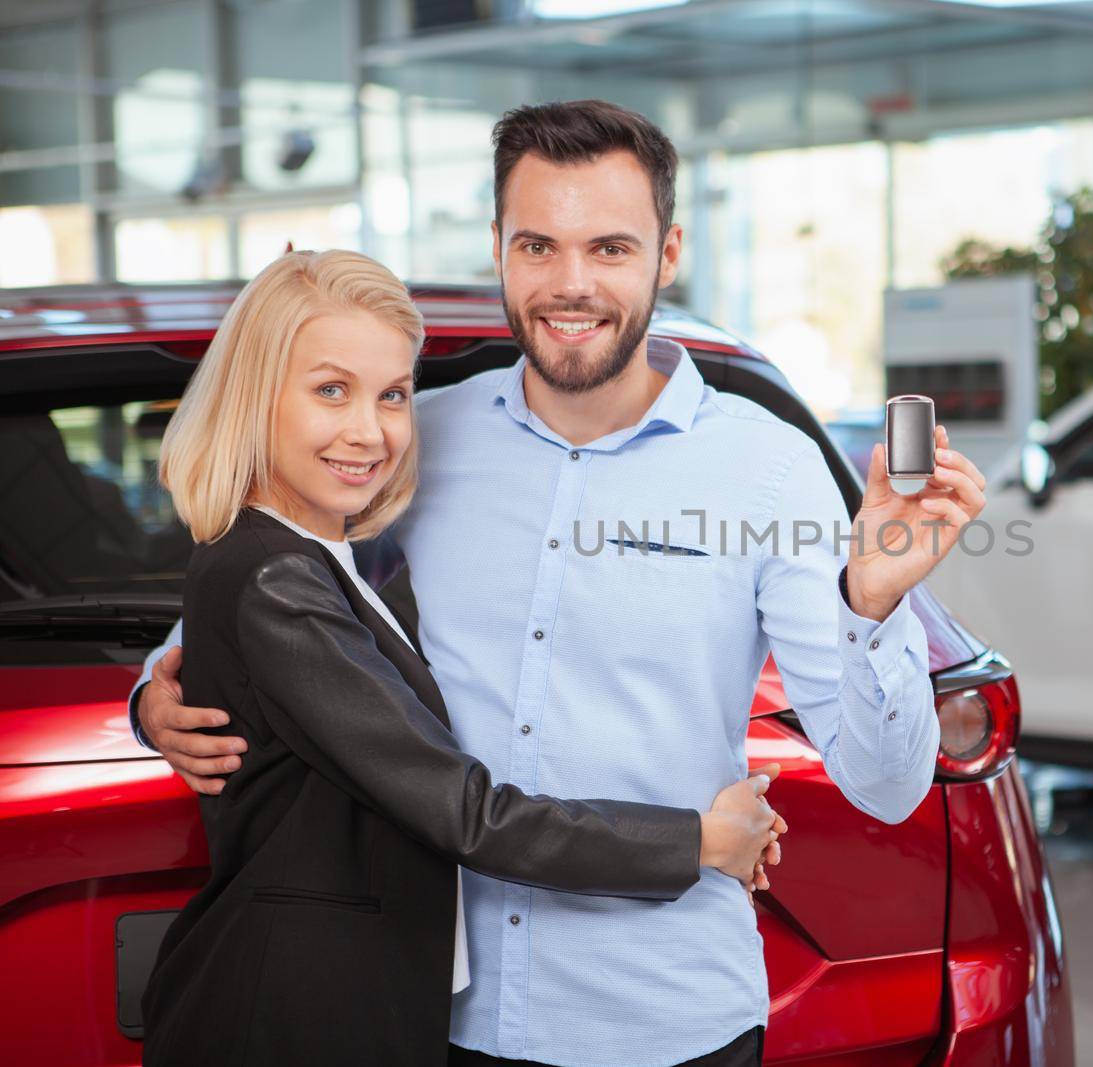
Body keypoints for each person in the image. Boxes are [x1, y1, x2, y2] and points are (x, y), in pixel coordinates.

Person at [131, 100, 988, 1067]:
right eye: (538, 245)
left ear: (666, 253)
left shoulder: (770, 470)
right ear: (499, 246)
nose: (570, 284)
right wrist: (162, 689)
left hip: (665, 1025)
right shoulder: (417, 434)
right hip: (436, 1018)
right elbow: (293, 582)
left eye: (609, 247)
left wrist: (872, 610)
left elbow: (885, 784)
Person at [136, 248, 784, 1067]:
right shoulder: (274, 577)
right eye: (330, 390)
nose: (368, 431)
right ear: (256, 396)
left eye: (393, 395)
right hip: (292, 1018)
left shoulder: (327, 557)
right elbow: (465, 811)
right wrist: (698, 840)